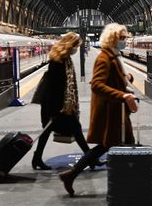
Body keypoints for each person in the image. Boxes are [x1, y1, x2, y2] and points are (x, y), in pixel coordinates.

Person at [58, 23, 138, 196]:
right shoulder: (104, 58)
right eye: (122, 38)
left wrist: (126, 77)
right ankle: (130, 183)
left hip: (116, 111)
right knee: (118, 144)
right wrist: (123, 96)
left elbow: (113, 79)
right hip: (111, 112)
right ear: (113, 38)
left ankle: (72, 175)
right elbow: (97, 85)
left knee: (108, 145)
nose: (125, 41)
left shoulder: (114, 56)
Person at [32, 32, 92, 170]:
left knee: (47, 132)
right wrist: (53, 111)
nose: (76, 50)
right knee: (76, 129)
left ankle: (37, 158)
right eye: (76, 46)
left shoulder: (64, 59)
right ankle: (90, 159)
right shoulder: (58, 62)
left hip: (56, 106)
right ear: (70, 45)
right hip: (56, 107)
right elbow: (52, 88)